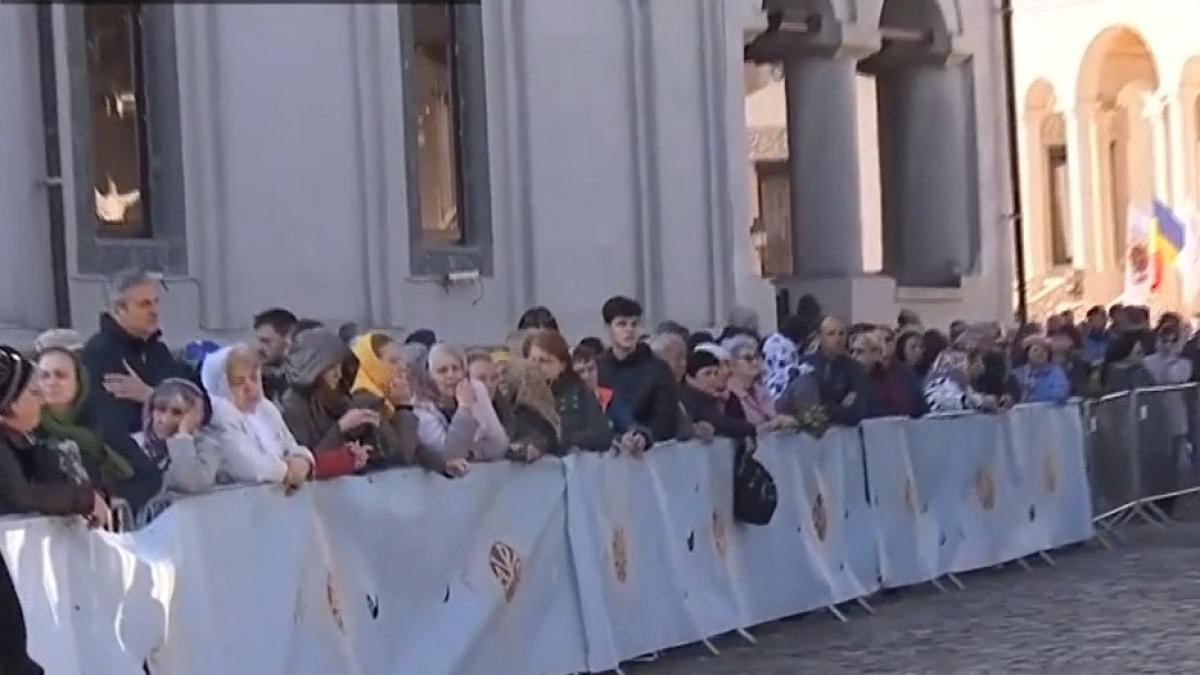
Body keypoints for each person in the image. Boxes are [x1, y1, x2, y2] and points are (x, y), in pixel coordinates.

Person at [35, 347, 161, 513]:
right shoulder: (29, 429)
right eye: (44, 376)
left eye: (61, 375)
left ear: (79, 381)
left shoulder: (102, 421)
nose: (52, 382)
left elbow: (149, 476)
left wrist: (112, 501)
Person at [0, 346, 110, 525]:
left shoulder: (21, 440)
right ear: (11, 403)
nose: (43, 401)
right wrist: (83, 499)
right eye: (35, 393)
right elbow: (21, 497)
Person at [80, 269, 196, 435]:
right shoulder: (99, 355)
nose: (154, 311)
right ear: (118, 310)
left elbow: (198, 406)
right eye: (144, 304)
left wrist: (150, 396)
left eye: (156, 302)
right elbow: (111, 426)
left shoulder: (159, 352)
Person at [349, 333, 468, 477]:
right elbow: (401, 455)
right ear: (372, 364)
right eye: (393, 361)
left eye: (402, 362)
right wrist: (403, 406)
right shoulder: (364, 401)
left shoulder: (386, 400)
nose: (402, 368)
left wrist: (443, 464)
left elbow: (415, 448)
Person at [200, 345, 314, 487]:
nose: (250, 387)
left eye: (254, 378)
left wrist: (302, 460)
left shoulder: (266, 409)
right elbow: (246, 465)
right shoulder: (218, 416)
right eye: (238, 382)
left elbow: (291, 446)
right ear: (220, 386)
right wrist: (286, 471)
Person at [279, 329, 373, 479]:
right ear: (313, 367)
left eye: (340, 367)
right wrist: (341, 427)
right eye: (331, 368)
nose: (338, 374)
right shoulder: (293, 405)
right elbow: (306, 460)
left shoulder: (337, 400)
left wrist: (355, 452)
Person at [597, 296, 679, 447]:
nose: (629, 330)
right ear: (608, 328)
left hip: (649, 453)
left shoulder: (658, 369)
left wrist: (645, 436)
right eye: (622, 324)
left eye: (634, 324)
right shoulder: (598, 369)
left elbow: (666, 418)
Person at [413, 344, 509, 461]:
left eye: (456, 368)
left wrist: (471, 453)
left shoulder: (475, 392)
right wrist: (464, 409)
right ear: (430, 377)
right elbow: (449, 454)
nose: (450, 375)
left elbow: (500, 444)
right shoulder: (421, 408)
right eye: (442, 371)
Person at [528, 331, 614, 452]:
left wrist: (561, 441)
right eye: (532, 360)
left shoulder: (578, 391)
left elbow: (601, 433)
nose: (535, 366)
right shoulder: (521, 395)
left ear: (562, 365)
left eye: (544, 361)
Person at [802, 316, 868, 426]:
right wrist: (838, 407)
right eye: (831, 334)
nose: (838, 339)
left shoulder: (855, 369)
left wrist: (823, 409)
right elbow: (801, 406)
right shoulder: (805, 364)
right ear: (820, 337)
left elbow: (855, 410)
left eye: (842, 334)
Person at [678, 350, 757, 440]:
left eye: (715, 373)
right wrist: (749, 428)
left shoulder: (712, 398)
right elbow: (720, 424)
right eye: (707, 374)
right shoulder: (692, 399)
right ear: (689, 378)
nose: (713, 379)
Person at [497, 360, 562, 461]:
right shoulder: (546, 413)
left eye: (504, 373)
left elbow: (537, 439)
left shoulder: (523, 413)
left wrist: (528, 447)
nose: (501, 380)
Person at [853, 331, 926, 418]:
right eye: (852, 351)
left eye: (859, 352)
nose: (854, 356)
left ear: (875, 353)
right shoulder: (851, 379)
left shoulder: (897, 380)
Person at [722, 333, 778, 427]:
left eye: (757, 356)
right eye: (748, 359)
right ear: (732, 365)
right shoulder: (728, 395)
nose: (755, 362)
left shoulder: (761, 390)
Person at [924, 349, 999, 413]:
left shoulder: (966, 385)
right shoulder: (942, 384)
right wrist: (981, 401)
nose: (981, 368)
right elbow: (944, 402)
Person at [762, 314, 814, 401]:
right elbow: (787, 372)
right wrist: (806, 368)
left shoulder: (771, 340)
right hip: (778, 391)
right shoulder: (786, 346)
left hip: (767, 385)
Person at [253, 308, 299, 405]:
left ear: (288, 340)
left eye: (266, 341)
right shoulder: (253, 378)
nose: (258, 348)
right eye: (258, 341)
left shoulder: (300, 380)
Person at [1009, 336, 1070, 405]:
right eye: (1036, 350)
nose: (1040, 353)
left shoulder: (1056, 371)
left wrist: (1035, 396)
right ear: (1027, 353)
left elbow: (1061, 393)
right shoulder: (1018, 374)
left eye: (1044, 350)